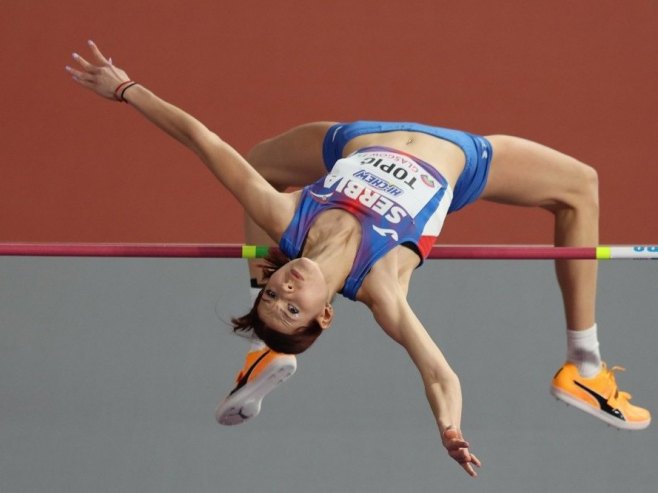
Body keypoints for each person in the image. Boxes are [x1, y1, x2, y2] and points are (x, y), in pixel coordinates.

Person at [67, 41, 650, 478]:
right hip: (463, 158)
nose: (285, 289)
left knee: (259, 160)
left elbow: (203, 140)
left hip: (358, 137)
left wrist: (126, 89)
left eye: (271, 293)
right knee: (581, 186)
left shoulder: (284, 218)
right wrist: (449, 427)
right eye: (292, 308)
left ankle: (264, 351)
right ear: (325, 314)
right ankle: (584, 365)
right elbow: (440, 374)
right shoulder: (381, 287)